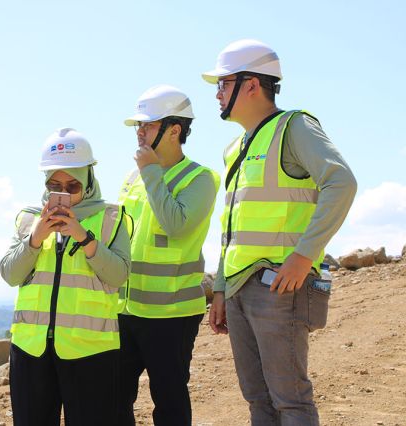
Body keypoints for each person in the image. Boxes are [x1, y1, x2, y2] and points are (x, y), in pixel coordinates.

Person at [203, 39, 357, 425]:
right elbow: (232, 228)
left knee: (290, 400)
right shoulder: (234, 147)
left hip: (279, 286)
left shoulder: (295, 127)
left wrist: (304, 256)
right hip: (239, 289)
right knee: (258, 400)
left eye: (223, 84)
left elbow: (341, 183)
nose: (217, 94)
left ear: (251, 84)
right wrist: (221, 288)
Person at [0, 128, 131, 426]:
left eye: (72, 185)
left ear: (88, 179)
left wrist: (85, 238)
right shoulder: (28, 219)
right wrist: (34, 239)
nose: (64, 193)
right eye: (54, 185)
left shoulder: (112, 217)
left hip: (91, 351)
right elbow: (9, 273)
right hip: (31, 350)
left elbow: (119, 276)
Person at [117, 85, 219, 426]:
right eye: (138, 126)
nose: (140, 132)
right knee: (114, 398)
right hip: (125, 309)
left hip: (171, 314)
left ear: (175, 129)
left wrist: (151, 172)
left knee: (169, 399)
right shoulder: (132, 178)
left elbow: (176, 225)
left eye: (147, 125)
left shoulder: (200, 179)